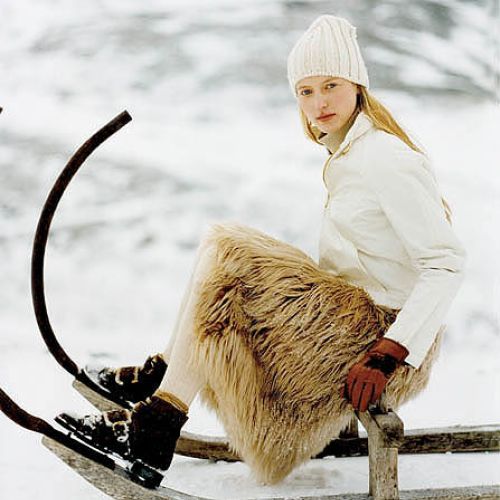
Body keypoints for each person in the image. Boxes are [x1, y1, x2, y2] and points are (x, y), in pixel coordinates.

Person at [60, 14, 466, 484]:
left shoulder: (385, 158)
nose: (319, 102)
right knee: (219, 248)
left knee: (229, 251)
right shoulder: (349, 154)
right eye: (306, 91)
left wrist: (388, 353)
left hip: (381, 340)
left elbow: (446, 263)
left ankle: (155, 426)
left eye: (331, 85)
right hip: (358, 323)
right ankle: (163, 379)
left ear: (357, 85)